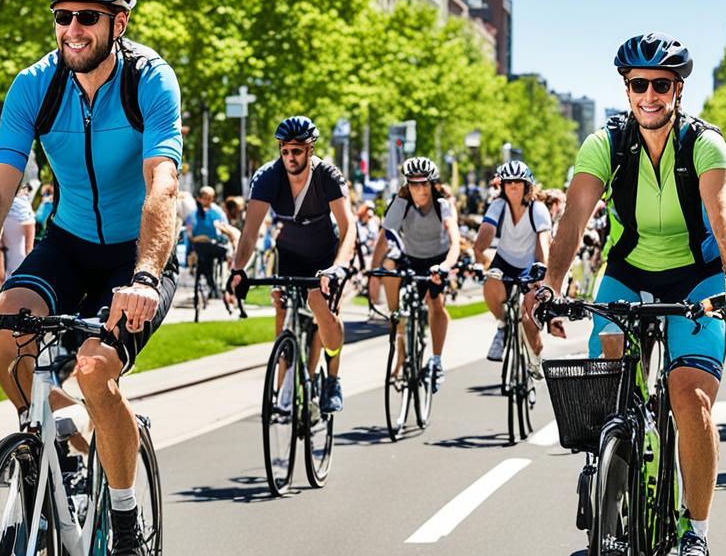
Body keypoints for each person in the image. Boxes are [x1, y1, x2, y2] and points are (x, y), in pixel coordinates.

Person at [0, 0, 181, 556]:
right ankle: (61, 453)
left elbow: (163, 186)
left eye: (87, 17)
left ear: (118, 23)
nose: (72, 29)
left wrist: (146, 275)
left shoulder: (148, 80)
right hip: (66, 243)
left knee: (94, 371)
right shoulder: (34, 85)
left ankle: (125, 524)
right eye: (62, 15)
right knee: (5, 328)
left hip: (134, 253)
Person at [530, 33, 726, 556]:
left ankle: (695, 536)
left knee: (689, 396)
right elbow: (574, 216)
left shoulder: (705, 144)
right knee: (608, 383)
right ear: (626, 89)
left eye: (660, 85)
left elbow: (723, 213)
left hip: (697, 279)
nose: (649, 95)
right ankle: (614, 470)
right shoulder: (606, 143)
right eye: (638, 85)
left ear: (678, 89)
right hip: (628, 275)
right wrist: (551, 286)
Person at [228, 116, 355, 414]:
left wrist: (337, 268)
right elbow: (250, 232)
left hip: (324, 254)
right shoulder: (267, 177)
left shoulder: (328, 176)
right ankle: (284, 379)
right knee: (281, 305)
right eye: (285, 151)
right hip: (290, 253)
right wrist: (237, 269)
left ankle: (332, 378)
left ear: (310, 150)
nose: (290, 158)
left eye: (296, 151)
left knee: (319, 305)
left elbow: (349, 229)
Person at [371, 157, 460, 392]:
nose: (419, 189)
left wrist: (445, 266)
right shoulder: (402, 202)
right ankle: (401, 334)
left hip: (437, 260)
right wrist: (372, 274)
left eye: (424, 184)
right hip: (411, 258)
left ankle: (437, 360)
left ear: (432, 184)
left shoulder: (442, 206)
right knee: (390, 267)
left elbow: (456, 242)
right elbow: (384, 236)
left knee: (435, 303)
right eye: (413, 184)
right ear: (407, 185)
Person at [472, 160, 550, 374]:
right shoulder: (498, 206)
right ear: (503, 187)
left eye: (518, 182)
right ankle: (503, 325)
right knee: (491, 281)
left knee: (529, 321)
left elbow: (543, 242)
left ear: (527, 186)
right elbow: (487, 229)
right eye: (508, 183)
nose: (513, 186)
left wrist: (543, 271)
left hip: (530, 264)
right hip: (504, 261)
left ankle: (535, 358)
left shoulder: (538, 209)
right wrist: (479, 249)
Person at [184, 185, 239, 303]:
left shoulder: (217, 213)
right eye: (204, 198)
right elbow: (189, 230)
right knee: (201, 254)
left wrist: (221, 230)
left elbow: (224, 228)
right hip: (199, 246)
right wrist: (190, 235)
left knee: (209, 254)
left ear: (212, 199)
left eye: (209, 198)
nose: (207, 200)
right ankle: (208, 282)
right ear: (199, 198)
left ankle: (212, 283)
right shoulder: (194, 214)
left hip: (214, 245)